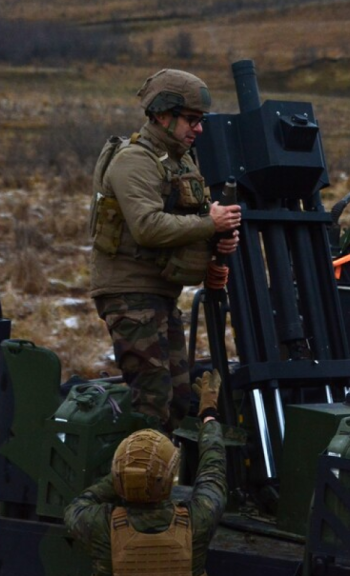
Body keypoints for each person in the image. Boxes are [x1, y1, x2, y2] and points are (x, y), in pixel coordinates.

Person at [89, 69, 241, 430]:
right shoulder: (134, 162)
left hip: (159, 294)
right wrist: (211, 224)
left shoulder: (180, 161)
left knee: (177, 401)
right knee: (153, 402)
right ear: (161, 114)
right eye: (191, 119)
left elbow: (190, 222)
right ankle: (135, 479)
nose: (198, 129)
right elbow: (148, 227)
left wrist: (219, 240)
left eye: (199, 120)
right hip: (130, 295)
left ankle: (155, 473)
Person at [64, 369, 227, 576]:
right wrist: (208, 414)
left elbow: (80, 503)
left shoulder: (99, 525)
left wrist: (125, 473)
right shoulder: (199, 520)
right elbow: (213, 469)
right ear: (168, 478)